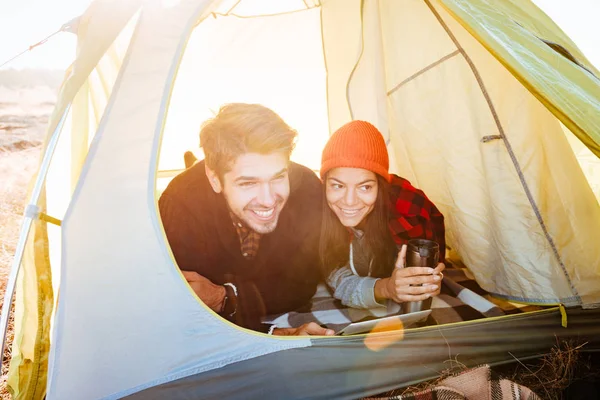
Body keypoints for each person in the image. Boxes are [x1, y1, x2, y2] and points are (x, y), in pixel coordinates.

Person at [159, 103, 334, 336]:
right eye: (248, 183)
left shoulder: (307, 188)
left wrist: (226, 296)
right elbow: (189, 308)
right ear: (214, 178)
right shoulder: (180, 205)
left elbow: (301, 285)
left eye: (278, 177)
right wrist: (271, 330)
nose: (268, 199)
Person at [319, 120, 446, 310]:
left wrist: (425, 279)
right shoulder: (316, 207)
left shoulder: (408, 211)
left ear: (380, 186)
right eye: (337, 185)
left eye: (365, 187)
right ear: (325, 184)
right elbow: (336, 277)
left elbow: (421, 281)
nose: (350, 201)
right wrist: (386, 288)